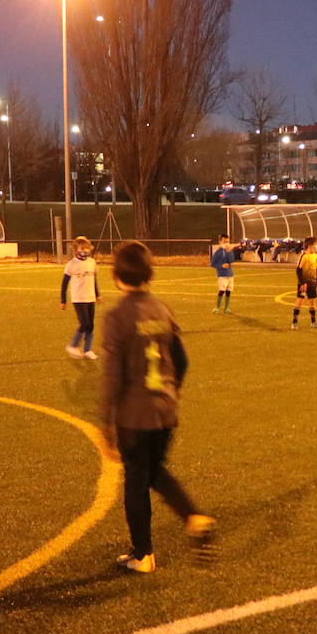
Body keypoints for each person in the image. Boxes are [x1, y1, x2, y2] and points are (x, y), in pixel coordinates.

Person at [101, 241, 215, 573]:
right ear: (149, 272)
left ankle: (143, 554)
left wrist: (105, 422)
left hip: (134, 415)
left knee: (136, 480)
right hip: (164, 410)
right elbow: (181, 359)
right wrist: (171, 391)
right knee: (154, 471)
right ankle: (193, 516)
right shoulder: (162, 309)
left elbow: (111, 375)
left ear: (116, 274)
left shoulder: (118, 317)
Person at [60, 236, 101, 360]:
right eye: (82, 248)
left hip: (90, 298)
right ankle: (73, 345)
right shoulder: (71, 265)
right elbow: (64, 283)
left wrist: (98, 294)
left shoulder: (91, 262)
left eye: (87, 248)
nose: (85, 250)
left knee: (91, 325)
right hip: (78, 298)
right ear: (76, 249)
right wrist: (63, 300)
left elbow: (94, 280)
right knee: (84, 324)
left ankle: (88, 350)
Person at [292, 235, 317, 329]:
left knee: (312, 302)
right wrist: (302, 283)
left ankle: (313, 322)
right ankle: (294, 322)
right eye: (315, 244)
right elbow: (298, 270)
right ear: (309, 245)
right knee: (299, 301)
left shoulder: (316, 256)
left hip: (312, 282)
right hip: (304, 283)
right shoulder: (304, 256)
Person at [210, 233, 235, 314]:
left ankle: (226, 308)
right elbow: (213, 264)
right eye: (224, 241)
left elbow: (232, 260)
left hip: (230, 274)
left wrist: (229, 252)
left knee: (229, 291)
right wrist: (221, 265)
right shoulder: (218, 252)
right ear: (220, 241)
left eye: (227, 241)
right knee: (221, 290)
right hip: (222, 275)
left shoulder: (228, 250)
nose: (226, 243)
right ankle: (217, 307)